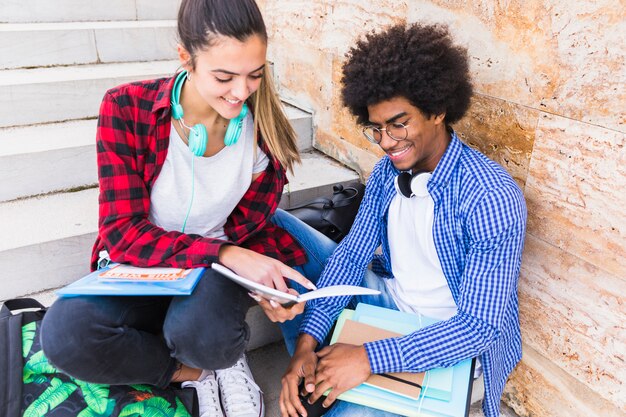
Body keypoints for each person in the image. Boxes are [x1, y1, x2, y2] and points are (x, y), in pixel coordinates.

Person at [40, 1, 326, 417]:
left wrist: (265, 288)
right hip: (140, 263)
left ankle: (222, 357)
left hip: (213, 272)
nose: (241, 92)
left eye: (254, 75)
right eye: (224, 77)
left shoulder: (264, 131)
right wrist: (223, 253)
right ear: (185, 58)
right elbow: (121, 233)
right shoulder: (126, 108)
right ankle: (190, 372)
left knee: (201, 330)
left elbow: (251, 229)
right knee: (66, 335)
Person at [278, 23, 527, 417]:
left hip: (449, 340)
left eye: (399, 123)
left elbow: (479, 327)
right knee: (275, 224)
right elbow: (351, 256)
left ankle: (331, 382)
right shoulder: (385, 173)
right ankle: (312, 367)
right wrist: (308, 340)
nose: (387, 141)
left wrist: (367, 358)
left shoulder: (490, 196)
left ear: (437, 109)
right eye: (376, 128)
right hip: (388, 299)